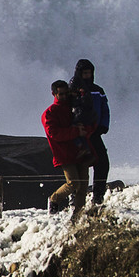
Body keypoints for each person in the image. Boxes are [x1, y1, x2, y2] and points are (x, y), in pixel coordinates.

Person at [42, 80, 94, 222]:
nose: (64, 97)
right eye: (61, 94)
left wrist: (86, 131)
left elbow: (88, 121)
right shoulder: (50, 113)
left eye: (66, 93)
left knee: (82, 186)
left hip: (80, 151)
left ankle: (77, 217)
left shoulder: (74, 106)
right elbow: (54, 133)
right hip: (64, 153)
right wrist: (77, 132)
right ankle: (54, 199)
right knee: (74, 183)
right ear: (54, 94)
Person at [70, 59, 111, 206]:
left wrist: (103, 126)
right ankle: (74, 200)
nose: (87, 76)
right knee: (79, 168)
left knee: (103, 164)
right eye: (84, 73)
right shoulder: (72, 90)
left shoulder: (98, 91)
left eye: (89, 73)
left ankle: (97, 197)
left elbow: (105, 110)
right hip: (78, 135)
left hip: (94, 133)